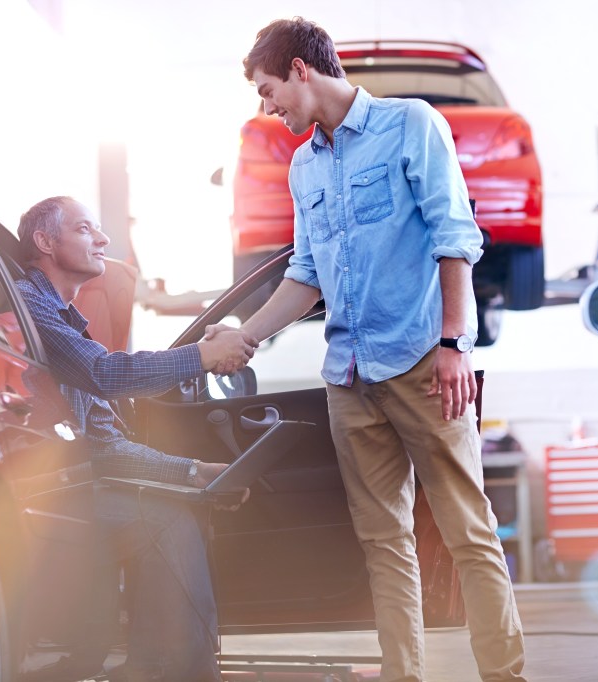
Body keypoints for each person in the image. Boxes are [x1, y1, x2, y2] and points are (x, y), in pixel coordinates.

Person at [227, 17, 526, 682]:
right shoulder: (305, 166)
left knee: (466, 534)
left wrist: (453, 343)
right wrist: (246, 336)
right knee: (383, 544)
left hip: (423, 361)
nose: (266, 106)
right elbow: (304, 276)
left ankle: (505, 675)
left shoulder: (409, 125)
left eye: (268, 89)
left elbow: (456, 236)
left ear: (302, 70)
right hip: (349, 375)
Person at [15, 195, 258, 682]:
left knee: (177, 504)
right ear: (45, 241)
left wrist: (192, 471)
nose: (103, 240)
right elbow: (105, 373)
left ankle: (160, 667)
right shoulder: (29, 303)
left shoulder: (63, 320)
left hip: (73, 479)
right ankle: (175, 671)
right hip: (35, 491)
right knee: (162, 518)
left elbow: (104, 443)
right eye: (86, 229)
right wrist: (201, 358)